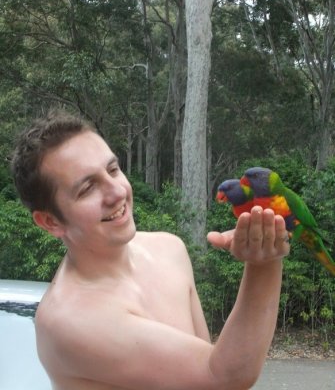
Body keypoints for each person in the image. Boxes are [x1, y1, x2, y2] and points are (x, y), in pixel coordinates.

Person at [11, 109, 289, 390]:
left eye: (112, 169)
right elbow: (222, 377)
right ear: (50, 221)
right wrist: (263, 262)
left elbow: (206, 367)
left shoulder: (169, 249)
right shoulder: (69, 321)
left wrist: (264, 247)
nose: (117, 192)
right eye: (87, 188)